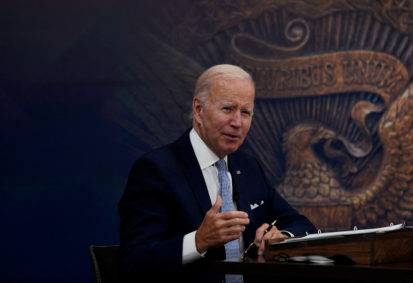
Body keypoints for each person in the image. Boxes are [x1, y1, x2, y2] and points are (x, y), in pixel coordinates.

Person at [118, 64, 316, 282]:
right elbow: (134, 262)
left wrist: (282, 237)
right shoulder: (156, 170)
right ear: (198, 109)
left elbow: (301, 225)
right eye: (227, 109)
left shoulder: (249, 167)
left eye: (245, 112)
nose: (237, 123)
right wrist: (198, 241)